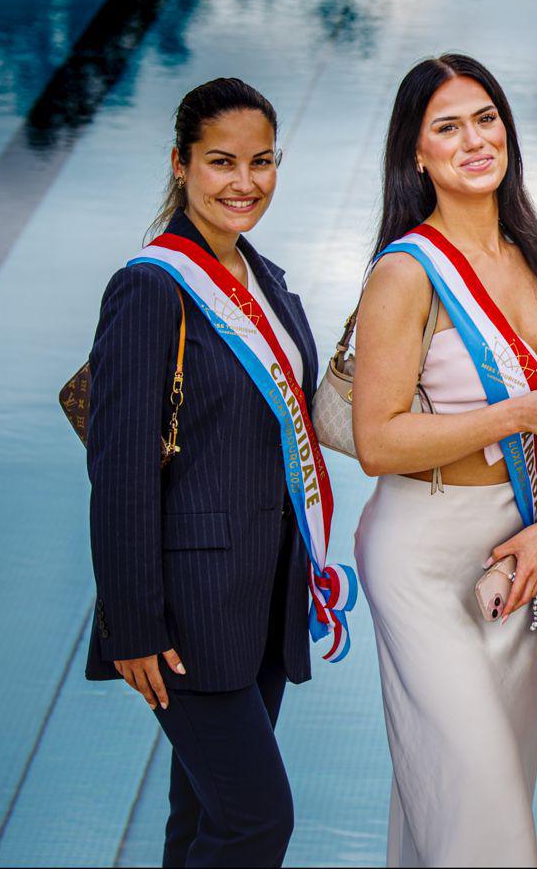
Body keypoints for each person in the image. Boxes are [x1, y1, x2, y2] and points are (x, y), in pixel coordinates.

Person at [350, 54, 537, 868]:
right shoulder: (405, 272)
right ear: (417, 153)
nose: (474, 139)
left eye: (486, 118)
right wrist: (516, 413)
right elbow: (377, 442)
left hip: (516, 553)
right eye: (447, 126)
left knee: (453, 800)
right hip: (423, 556)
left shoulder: (531, 254)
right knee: (484, 821)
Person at [85, 78, 351, 867]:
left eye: (262, 161)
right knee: (255, 822)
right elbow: (122, 471)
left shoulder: (264, 279)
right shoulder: (150, 287)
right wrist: (133, 623)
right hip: (185, 617)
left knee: (200, 817)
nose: (245, 183)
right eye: (221, 162)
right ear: (180, 163)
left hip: (259, 602)